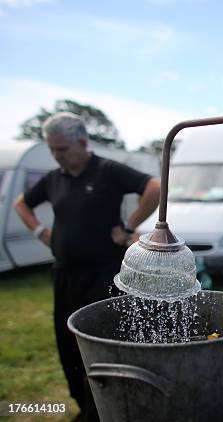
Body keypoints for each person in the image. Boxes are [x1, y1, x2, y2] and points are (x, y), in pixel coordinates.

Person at [13, 112, 161, 421]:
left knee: (99, 345)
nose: (56, 155)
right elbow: (20, 203)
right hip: (65, 275)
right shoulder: (54, 179)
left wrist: (128, 225)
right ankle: (84, 406)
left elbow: (154, 187)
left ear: (82, 142)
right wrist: (41, 231)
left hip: (102, 276)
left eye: (62, 149)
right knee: (68, 346)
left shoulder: (106, 170)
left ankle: (103, 408)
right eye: (52, 149)